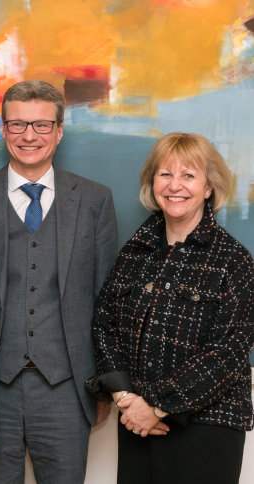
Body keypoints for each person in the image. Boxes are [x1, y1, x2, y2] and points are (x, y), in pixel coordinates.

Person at [0, 80, 118, 483]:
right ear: (3, 129)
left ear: (59, 130)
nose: (29, 136)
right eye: (18, 125)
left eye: (41, 125)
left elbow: (107, 301)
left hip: (67, 387)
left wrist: (106, 385)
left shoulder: (95, 201)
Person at [88, 132, 254, 484]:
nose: (174, 186)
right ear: (153, 182)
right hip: (137, 421)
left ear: (208, 187)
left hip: (208, 426)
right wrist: (124, 397)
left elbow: (227, 352)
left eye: (188, 176)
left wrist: (159, 406)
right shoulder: (136, 251)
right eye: (165, 174)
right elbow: (105, 323)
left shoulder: (234, 261)